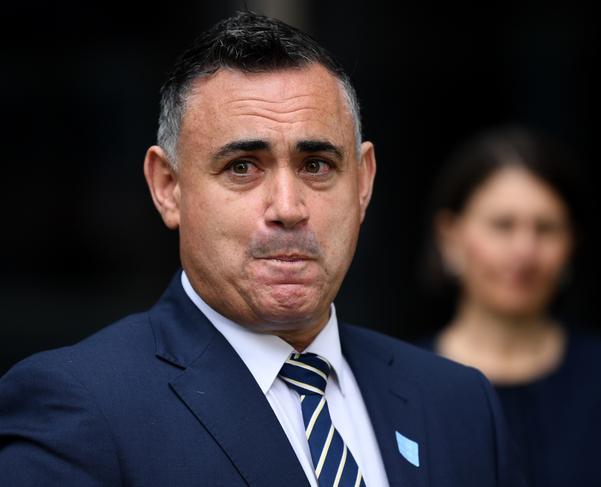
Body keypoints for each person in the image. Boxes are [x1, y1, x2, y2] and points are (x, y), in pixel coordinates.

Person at [0, 13, 527, 487]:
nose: (288, 207)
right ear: (167, 187)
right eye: (242, 167)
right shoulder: (79, 408)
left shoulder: (459, 404)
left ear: (363, 183)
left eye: (317, 165)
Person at [420, 125, 601, 487]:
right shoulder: (402, 386)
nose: (525, 251)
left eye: (546, 228)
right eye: (502, 225)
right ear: (450, 239)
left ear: (571, 244)